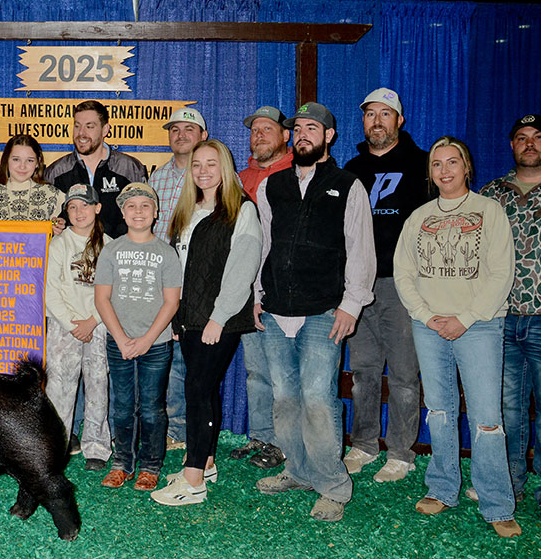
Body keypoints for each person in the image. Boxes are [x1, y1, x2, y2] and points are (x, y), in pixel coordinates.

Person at [253, 102, 376, 523]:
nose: (303, 134)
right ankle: (298, 471)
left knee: (318, 399)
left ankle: (333, 486)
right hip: (276, 310)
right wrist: (256, 295)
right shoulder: (272, 186)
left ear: (329, 136)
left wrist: (351, 305)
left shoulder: (348, 185)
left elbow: (360, 248)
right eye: (298, 128)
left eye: (312, 127)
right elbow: (264, 245)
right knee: (285, 398)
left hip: (324, 310)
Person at [393, 136, 520, 538]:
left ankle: (496, 503)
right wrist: (426, 316)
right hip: (429, 326)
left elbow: (501, 273)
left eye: (452, 162)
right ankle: (442, 488)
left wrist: (464, 318)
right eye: (437, 164)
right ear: (430, 172)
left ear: (467, 167)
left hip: (479, 325)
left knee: (487, 418)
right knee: (439, 410)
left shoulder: (490, 211)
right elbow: (403, 272)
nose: (444, 170)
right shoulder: (419, 217)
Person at [151, 140, 261, 506]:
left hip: (219, 319)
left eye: (211, 164)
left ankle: (193, 479)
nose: (202, 171)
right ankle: (206, 461)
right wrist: (177, 316)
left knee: (197, 390)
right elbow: (179, 268)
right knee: (204, 389)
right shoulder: (188, 210)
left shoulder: (241, 209)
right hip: (190, 317)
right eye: (197, 164)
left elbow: (242, 269)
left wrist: (219, 317)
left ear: (224, 168)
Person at [481, 114, 541, 529]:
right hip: (500, 322)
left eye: (538, 136)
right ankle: (509, 484)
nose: (529, 143)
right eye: (521, 137)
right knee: (506, 410)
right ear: (512, 145)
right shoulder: (491, 194)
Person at [343, 88, 431, 482]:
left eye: (385, 114)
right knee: (363, 372)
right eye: (370, 114)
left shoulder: (423, 164)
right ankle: (363, 444)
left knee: (404, 374)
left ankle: (400, 452)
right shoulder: (351, 168)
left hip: (403, 284)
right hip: (359, 285)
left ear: (399, 120)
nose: (376, 121)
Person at [94, 182, 181, 492]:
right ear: (122, 212)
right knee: (121, 406)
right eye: (131, 206)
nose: (138, 211)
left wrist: (146, 340)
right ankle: (122, 464)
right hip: (119, 342)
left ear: (156, 213)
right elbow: (102, 298)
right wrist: (120, 338)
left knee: (151, 408)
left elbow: (171, 302)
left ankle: (150, 466)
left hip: (155, 344)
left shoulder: (166, 253)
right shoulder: (111, 250)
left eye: (145, 205)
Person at [230, 105, 292, 470]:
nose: (259, 135)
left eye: (268, 128)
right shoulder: (240, 178)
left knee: (284, 374)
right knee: (256, 370)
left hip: (284, 288)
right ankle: (262, 435)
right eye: (255, 130)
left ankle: (284, 442)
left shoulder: (298, 172)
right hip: (247, 286)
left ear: (285, 135)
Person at [150, 106, 209, 451]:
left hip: (198, 284)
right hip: (161, 282)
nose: (181, 135)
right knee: (167, 359)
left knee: (194, 362)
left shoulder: (211, 178)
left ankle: (191, 430)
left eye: (189, 129)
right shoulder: (157, 179)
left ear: (203, 136)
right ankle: (173, 428)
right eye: (175, 130)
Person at [44, 183, 112, 471]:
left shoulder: (109, 245)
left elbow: (113, 290)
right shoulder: (59, 244)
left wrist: (92, 321)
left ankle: (96, 446)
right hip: (64, 326)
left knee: (98, 385)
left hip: (99, 323)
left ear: (97, 208)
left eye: (85, 205)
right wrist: (72, 324)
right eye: (72, 207)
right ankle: (55, 446)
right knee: (59, 388)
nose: (78, 211)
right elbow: (50, 290)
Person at [45, 100, 148, 237]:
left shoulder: (129, 168)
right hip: (70, 251)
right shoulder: (56, 172)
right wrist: (53, 226)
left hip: (117, 249)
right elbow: (46, 219)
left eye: (89, 126)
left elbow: (145, 216)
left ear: (105, 130)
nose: (81, 133)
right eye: (77, 126)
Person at [0, 134, 64, 221]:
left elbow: (59, 226)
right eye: (16, 159)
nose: (22, 166)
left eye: (30, 160)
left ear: (38, 162)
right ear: (6, 160)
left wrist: (57, 225)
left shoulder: (53, 195)